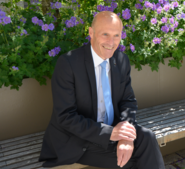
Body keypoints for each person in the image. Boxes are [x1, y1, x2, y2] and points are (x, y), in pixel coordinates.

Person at [39, 11, 165, 169]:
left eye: (116, 35)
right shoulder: (68, 64)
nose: (111, 42)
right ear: (91, 32)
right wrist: (110, 134)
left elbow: (128, 101)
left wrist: (125, 136)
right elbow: (65, 117)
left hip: (114, 128)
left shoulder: (121, 60)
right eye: (105, 34)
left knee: (147, 137)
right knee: (134, 161)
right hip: (78, 139)